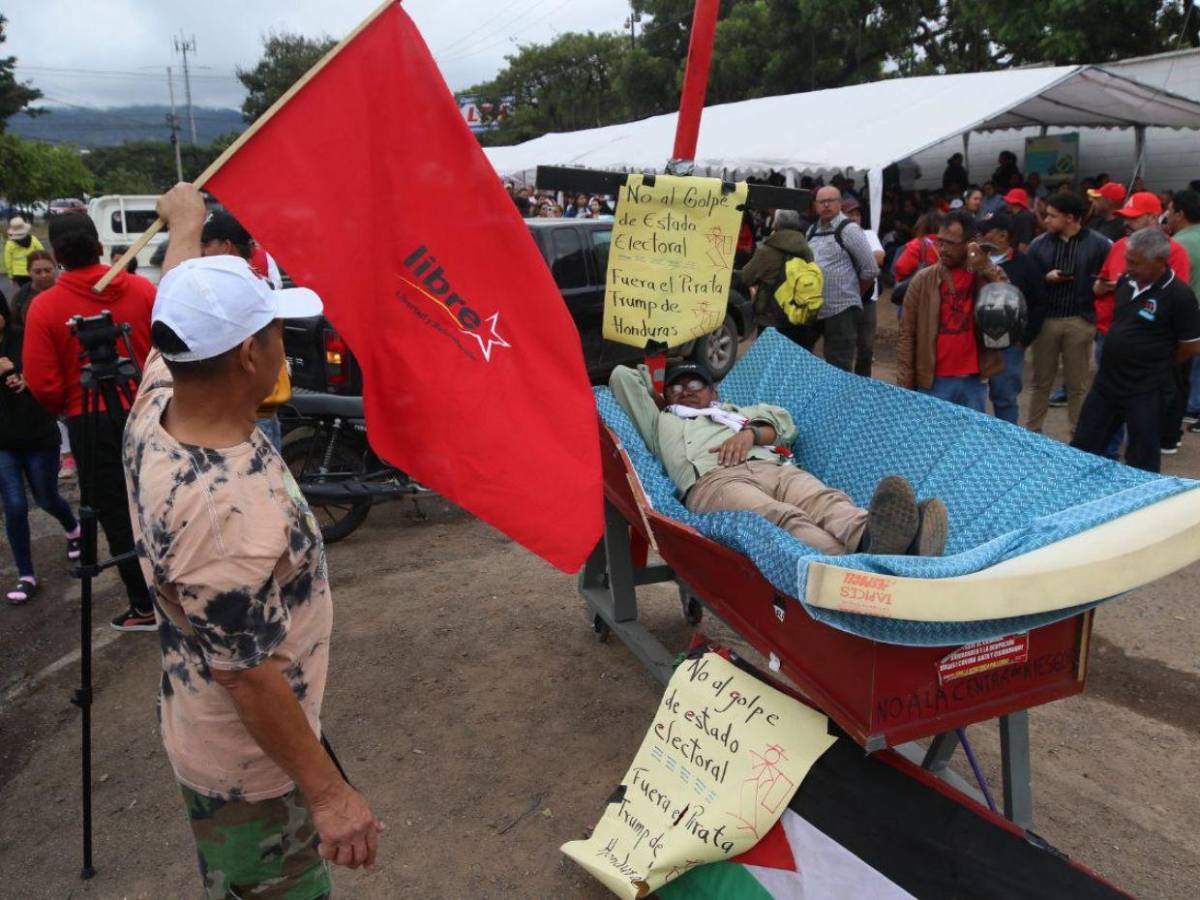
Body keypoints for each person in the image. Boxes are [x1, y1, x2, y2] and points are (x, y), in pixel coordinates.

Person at [128, 183, 383, 897]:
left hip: (224, 736)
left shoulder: (161, 399)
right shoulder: (222, 515)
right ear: (247, 355)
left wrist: (186, 224)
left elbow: (171, 316)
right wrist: (330, 796)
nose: (282, 342)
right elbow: (245, 672)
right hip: (252, 774)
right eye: (273, 330)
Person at [609, 361, 948, 556]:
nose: (685, 391)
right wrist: (657, 394)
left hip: (773, 464)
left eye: (695, 383)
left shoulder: (739, 412)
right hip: (716, 482)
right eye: (676, 389)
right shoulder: (663, 423)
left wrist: (750, 434)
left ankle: (873, 538)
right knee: (780, 517)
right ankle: (854, 565)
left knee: (824, 500)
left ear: (714, 391)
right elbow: (622, 377)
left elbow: (784, 424)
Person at [21, 213, 156, 632]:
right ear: (100, 246)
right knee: (161, 501)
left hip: (88, 419)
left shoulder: (45, 307)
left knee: (114, 512)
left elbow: (42, 381)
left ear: (57, 256)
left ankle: (144, 603)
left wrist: (68, 407)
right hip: (150, 409)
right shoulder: (141, 289)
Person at [1071, 228, 1200, 472]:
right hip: (1108, 383)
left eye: (1135, 263)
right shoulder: (1125, 283)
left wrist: (1156, 364)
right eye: (1127, 260)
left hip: (1146, 389)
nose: (1128, 267)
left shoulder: (1180, 296)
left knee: (1141, 457)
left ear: (1160, 261)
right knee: (1083, 446)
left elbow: (1190, 346)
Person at [0, 302, 80, 604]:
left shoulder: (25, 336)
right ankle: (26, 576)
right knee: (15, 506)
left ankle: (73, 530)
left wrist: (22, 378)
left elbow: (49, 374)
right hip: (3, 442)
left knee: (46, 497)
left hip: (36, 432)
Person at [896, 211, 1008, 410]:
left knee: (969, 441)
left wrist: (986, 268)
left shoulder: (984, 275)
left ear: (970, 242)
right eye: (940, 242)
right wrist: (905, 385)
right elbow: (907, 334)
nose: (942, 249)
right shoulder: (923, 280)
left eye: (950, 243)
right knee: (931, 440)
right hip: (933, 381)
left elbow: (1009, 306)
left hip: (973, 380)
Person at [201, 211, 292, 451]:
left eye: (207, 243)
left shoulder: (232, 293)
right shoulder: (261, 286)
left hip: (244, 414)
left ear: (227, 246)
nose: (202, 250)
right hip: (257, 408)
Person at [1024, 192, 1113, 434]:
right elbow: (1028, 282)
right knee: (1041, 381)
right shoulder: (1038, 244)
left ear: (1070, 218)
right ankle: (1033, 433)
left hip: (1080, 320)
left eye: (1052, 216)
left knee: (1078, 384)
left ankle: (1079, 435)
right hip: (1046, 321)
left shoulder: (1099, 244)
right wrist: (1045, 278)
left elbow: (1107, 278)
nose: (1047, 220)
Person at [978, 212, 1046, 424]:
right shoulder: (974, 262)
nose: (980, 235)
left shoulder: (1026, 265)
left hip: (1008, 345)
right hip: (974, 341)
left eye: (986, 231)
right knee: (972, 396)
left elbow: (1039, 304)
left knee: (1004, 397)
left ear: (1002, 236)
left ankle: (1006, 448)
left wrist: (1023, 339)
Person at [803, 187, 880, 371]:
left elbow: (870, 269)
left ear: (840, 204)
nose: (826, 205)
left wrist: (853, 294)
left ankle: (841, 399)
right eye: (822, 202)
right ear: (815, 206)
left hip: (842, 310)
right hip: (815, 309)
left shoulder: (850, 230)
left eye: (831, 200)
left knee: (839, 364)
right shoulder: (811, 231)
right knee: (803, 353)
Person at [738, 208, 813, 333]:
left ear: (775, 224)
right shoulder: (806, 249)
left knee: (768, 352)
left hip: (771, 314)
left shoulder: (766, 251)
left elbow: (746, 277)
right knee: (791, 351)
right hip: (798, 311)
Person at [1167, 191, 1200, 435]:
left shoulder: (1177, 245)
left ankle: (1188, 408)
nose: (1166, 215)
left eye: (1169, 209)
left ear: (1180, 214)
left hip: (1188, 316)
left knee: (1183, 370)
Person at [843, 198, 885, 377]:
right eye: (850, 214)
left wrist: (853, 261)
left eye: (857, 214)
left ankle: (863, 381)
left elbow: (879, 258)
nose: (855, 217)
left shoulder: (869, 234)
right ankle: (844, 383)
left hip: (868, 298)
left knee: (866, 347)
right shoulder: (838, 236)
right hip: (844, 298)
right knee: (844, 345)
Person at [4, 216, 44, 288]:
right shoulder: (33, 239)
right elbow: (42, 251)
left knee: (25, 292)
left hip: (18, 273)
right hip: (33, 269)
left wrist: (11, 276)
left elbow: (8, 262)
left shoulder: (9, 244)